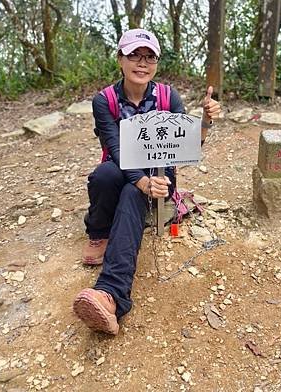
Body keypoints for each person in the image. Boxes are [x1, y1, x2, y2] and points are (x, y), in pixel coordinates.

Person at [73, 28, 221, 335]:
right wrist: (141, 181)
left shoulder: (168, 97)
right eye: (134, 55)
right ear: (120, 59)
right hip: (120, 168)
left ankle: (110, 295)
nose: (142, 63)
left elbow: (186, 144)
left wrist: (205, 122)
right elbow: (115, 149)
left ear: (156, 62)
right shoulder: (104, 101)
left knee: (130, 195)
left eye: (149, 56)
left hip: (159, 174)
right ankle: (99, 231)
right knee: (105, 176)